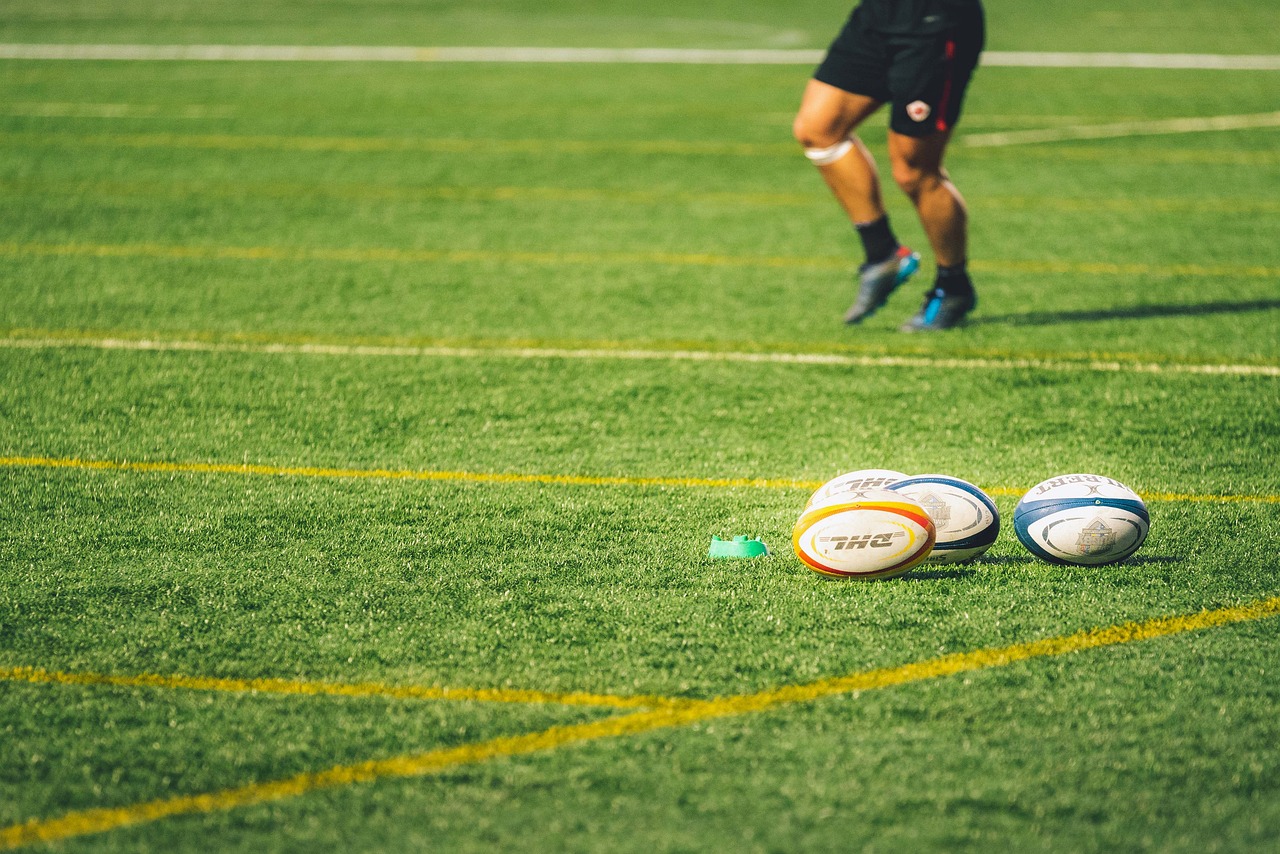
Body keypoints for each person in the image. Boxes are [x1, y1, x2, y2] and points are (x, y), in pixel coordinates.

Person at [793, 0, 985, 331]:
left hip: (934, 24)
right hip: (877, 15)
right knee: (818, 129)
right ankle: (883, 253)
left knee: (914, 171)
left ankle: (953, 287)